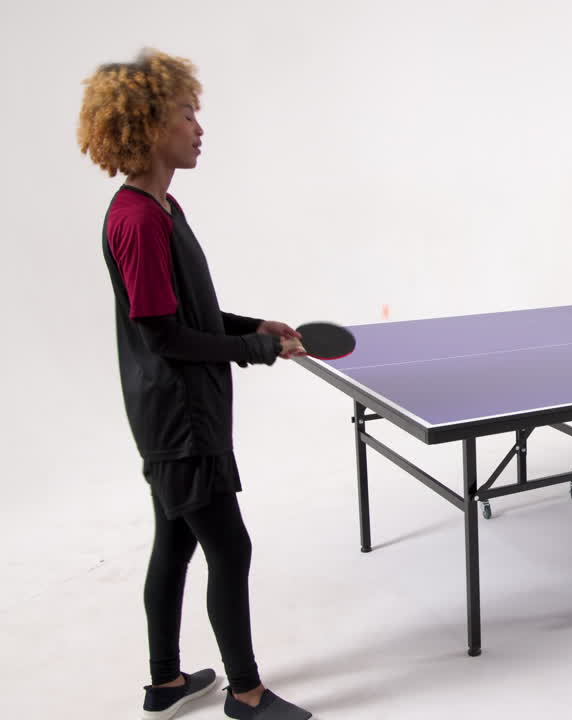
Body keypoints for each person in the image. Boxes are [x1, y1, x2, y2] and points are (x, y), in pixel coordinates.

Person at [78, 48, 314, 720]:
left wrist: (252, 323)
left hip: (178, 413)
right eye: (186, 115)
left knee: (175, 541)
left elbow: (183, 313)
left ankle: (166, 683)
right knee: (229, 547)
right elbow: (164, 336)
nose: (198, 127)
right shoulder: (138, 220)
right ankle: (246, 693)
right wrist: (257, 349)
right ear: (149, 125)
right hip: (181, 422)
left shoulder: (162, 208)